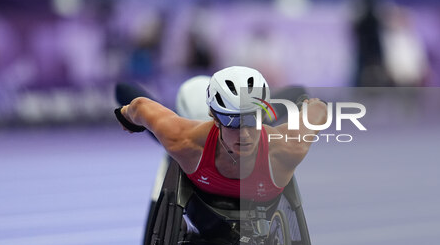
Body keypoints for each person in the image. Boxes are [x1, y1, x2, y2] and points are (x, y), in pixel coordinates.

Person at [117, 66, 327, 202]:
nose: (244, 134)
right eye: (232, 121)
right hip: (200, 144)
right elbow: (140, 106)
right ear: (215, 118)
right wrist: (126, 115)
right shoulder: (184, 140)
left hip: (257, 139)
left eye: (252, 119)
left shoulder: (288, 146)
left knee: (298, 91)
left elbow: (318, 111)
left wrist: (313, 108)